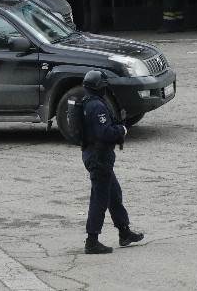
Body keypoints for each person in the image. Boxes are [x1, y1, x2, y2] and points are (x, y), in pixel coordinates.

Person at [79, 69, 143, 254]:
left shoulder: (87, 102)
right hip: (99, 158)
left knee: (113, 194)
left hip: (95, 155)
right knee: (99, 199)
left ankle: (124, 232)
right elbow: (104, 133)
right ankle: (92, 241)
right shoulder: (96, 106)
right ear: (98, 87)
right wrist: (121, 130)